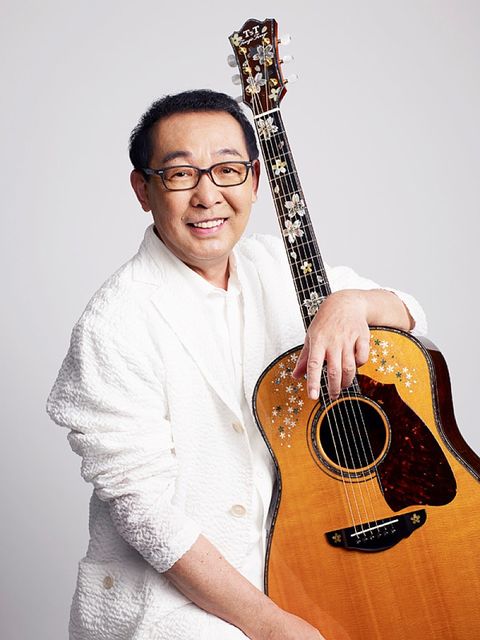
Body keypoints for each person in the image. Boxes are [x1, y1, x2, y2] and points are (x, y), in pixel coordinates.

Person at [46, 90, 427, 640]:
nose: (208, 196)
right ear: (143, 190)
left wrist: (353, 304)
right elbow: (148, 518)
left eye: (227, 171)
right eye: (180, 175)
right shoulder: (113, 324)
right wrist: (270, 626)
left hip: (298, 565)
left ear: (254, 180)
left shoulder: (276, 266)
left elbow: (410, 313)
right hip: (171, 599)